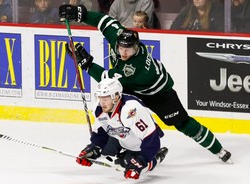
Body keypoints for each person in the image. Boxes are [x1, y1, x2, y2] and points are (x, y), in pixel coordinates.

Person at [59, 4, 232, 163]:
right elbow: (104, 21)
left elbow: (108, 80)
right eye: (121, 48)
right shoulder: (118, 36)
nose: (124, 53)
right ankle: (124, 147)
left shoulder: (135, 66)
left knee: (182, 123)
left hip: (159, 93)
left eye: (129, 49)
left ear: (136, 47)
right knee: (119, 113)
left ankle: (218, 149)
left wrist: (86, 64)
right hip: (132, 89)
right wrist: (81, 14)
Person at [75, 78, 169, 180]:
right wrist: (93, 149)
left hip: (140, 143)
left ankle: (157, 157)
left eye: (105, 99)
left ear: (116, 97)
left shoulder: (130, 110)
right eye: (100, 98)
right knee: (101, 152)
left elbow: (152, 140)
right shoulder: (99, 109)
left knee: (127, 164)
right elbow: (101, 133)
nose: (102, 102)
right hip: (120, 136)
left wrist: (141, 161)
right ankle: (125, 153)